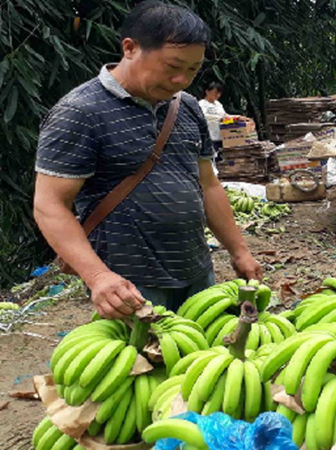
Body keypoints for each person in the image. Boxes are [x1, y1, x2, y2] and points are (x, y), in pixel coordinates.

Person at [33, 1, 262, 319]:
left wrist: (239, 250)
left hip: (196, 270)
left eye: (193, 70)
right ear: (130, 48)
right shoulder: (80, 112)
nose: (182, 79)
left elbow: (208, 185)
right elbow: (49, 204)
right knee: (146, 364)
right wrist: (98, 277)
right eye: (172, 66)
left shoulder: (187, 108)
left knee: (205, 361)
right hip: (129, 286)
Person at [198, 81, 229, 155]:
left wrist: (238, 117)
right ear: (207, 91)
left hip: (220, 137)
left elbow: (225, 116)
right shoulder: (201, 104)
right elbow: (204, 116)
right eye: (215, 92)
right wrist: (219, 118)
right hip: (208, 137)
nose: (217, 95)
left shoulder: (218, 104)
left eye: (219, 93)